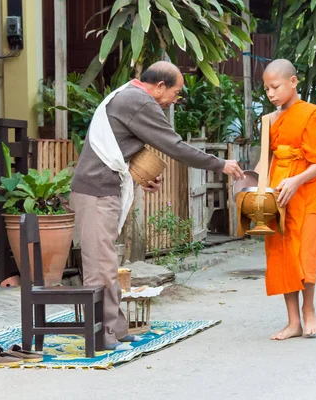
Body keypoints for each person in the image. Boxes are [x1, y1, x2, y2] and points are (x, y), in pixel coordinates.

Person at [70, 61, 244, 351]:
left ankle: (115, 329)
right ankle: (100, 337)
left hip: (101, 188)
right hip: (97, 191)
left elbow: (122, 145)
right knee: (100, 267)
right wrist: (220, 164)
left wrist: (141, 176)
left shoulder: (127, 94)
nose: (176, 100)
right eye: (176, 93)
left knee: (107, 264)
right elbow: (174, 146)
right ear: (160, 86)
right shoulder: (139, 100)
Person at [256, 59, 316, 340]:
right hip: (278, 193)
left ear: (293, 82)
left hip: (306, 191)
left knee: (305, 254)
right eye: (266, 90)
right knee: (282, 256)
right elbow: (263, 161)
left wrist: (296, 179)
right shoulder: (270, 120)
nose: (271, 94)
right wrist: (251, 188)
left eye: (275, 87)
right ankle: (293, 322)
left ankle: (309, 311)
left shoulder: (312, 114)